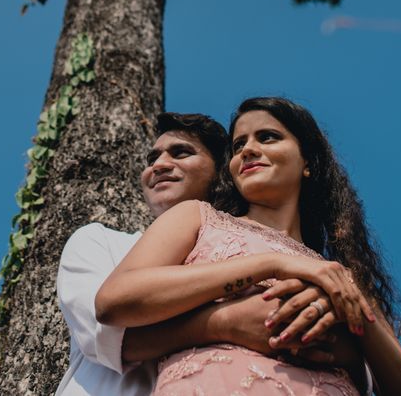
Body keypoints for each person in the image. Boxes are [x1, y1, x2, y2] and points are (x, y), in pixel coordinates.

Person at [96, 97, 401, 396]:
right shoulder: (197, 218)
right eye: (239, 144)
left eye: (267, 137)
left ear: (308, 162)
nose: (248, 150)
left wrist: (356, 317)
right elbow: (114, 301)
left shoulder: (340, 276)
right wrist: (271, 264)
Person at [56, 112, 370, 396]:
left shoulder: (283, 252)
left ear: (222, 171)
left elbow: (360, 366)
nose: (159, 165)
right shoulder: (102, 242)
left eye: (181, 153)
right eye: (152, 158)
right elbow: (108, 334)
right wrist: (225, 322)